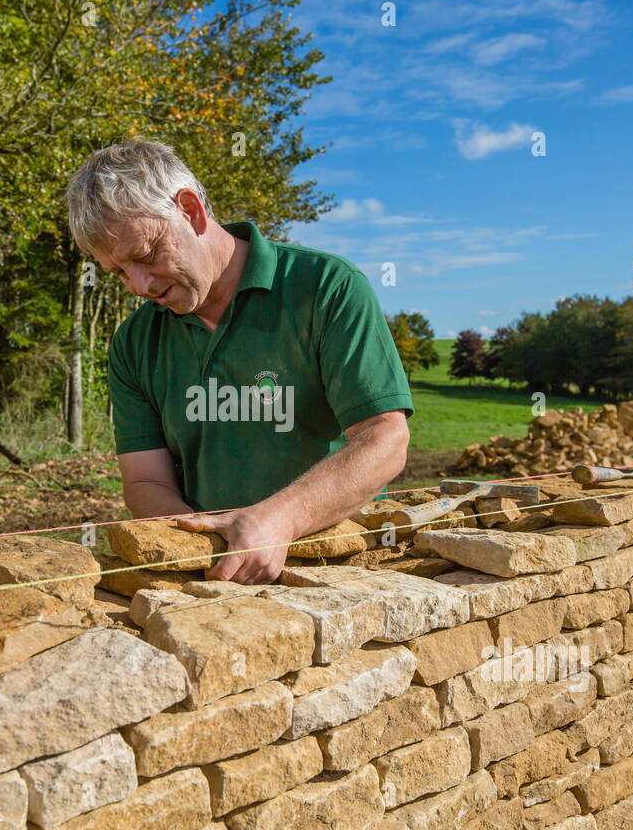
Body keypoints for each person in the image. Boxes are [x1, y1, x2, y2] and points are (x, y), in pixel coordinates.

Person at [65, 137, 413, 584]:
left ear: (190, 210)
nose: (138, 285)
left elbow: (385, 439)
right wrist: (205, 545)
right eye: (118, 272)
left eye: (145, 255)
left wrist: (279, 520)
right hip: (218, 574)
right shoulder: (134, 342)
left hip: (341, 571)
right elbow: (146, 483)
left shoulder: (327, 287)